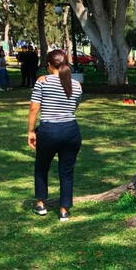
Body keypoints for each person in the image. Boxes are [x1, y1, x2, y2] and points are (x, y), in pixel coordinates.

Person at [28, 49, 83, 222]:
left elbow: (34, 108)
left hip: (49, 131)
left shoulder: (42, 82)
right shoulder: (76, 84)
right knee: (66, 171)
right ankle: (64, 210)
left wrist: (30, 131)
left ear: (49, 65)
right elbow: (74, 106)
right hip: (71, 130)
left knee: (41, 167)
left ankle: (41, 204)